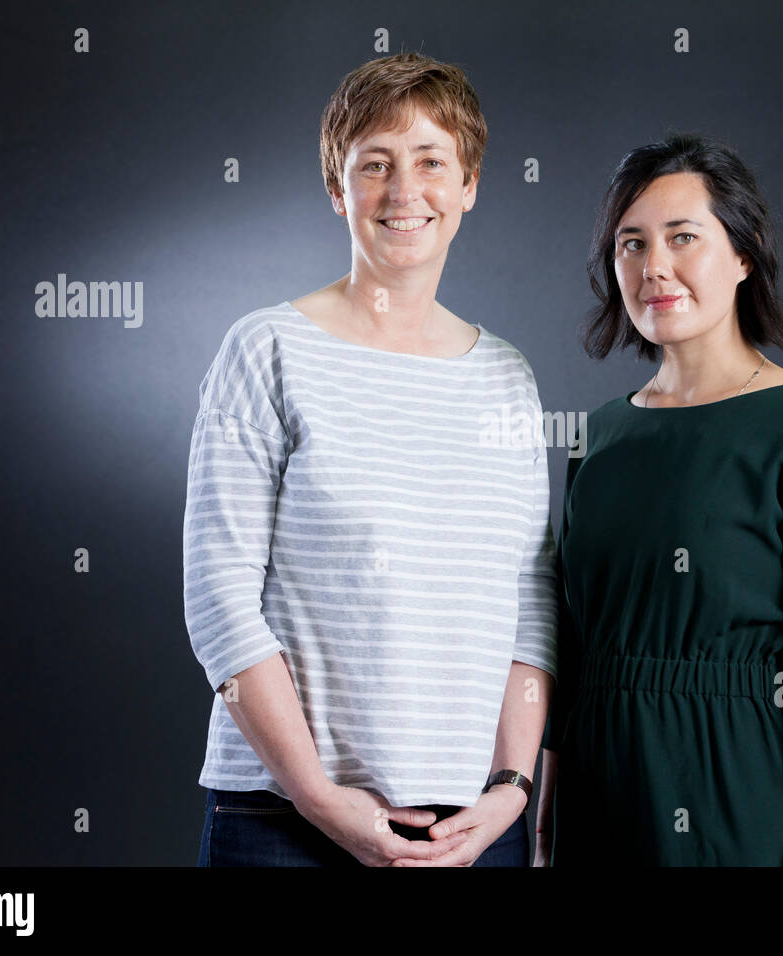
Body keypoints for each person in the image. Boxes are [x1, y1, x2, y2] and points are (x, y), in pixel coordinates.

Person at [184, 52, 557, 867]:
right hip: (284, 821)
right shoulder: (267, 350)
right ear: (337, 188)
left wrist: (510, 791)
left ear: (469, 186)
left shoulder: (507, 378)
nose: (403, 192)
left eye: (431, 162)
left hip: (473, 829)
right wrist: (317, 796)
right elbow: (219, 600)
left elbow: (530, 603)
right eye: (374, 165)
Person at [536, 133, 783, 866]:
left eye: (683, 237)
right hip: (595, 813)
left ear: (743, 254)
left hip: (732, 803)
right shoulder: (596, 438)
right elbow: (569, 657)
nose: (653, 267)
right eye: (630, 244)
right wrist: (544, 833)